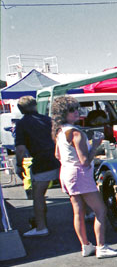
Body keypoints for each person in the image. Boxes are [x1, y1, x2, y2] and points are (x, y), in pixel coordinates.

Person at [52, 96, 117, 258]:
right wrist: (96, 145)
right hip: (79, 173)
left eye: (76, 109)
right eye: (71, 110)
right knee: (100, 210)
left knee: (78, 212)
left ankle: (86, 245)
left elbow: (57, 154)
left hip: (67, 172)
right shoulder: (76, 132)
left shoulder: (60, 131)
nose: (76, 112)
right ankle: (102, 246)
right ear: (63, 113)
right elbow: (84, 161)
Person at [14, 95, 61, 237]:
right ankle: (88, 214)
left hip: (42, 161)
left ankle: (41, 227)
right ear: (35, 105)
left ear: (21, 109)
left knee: (38, 195)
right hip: (59, 158)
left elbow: (20, 149)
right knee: (74, 191)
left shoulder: (21, 124)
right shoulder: (48, 120)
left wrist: (19, 165)